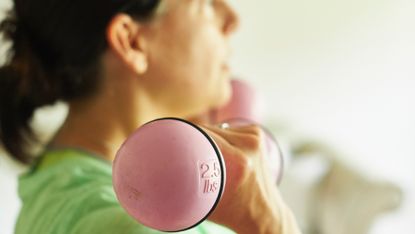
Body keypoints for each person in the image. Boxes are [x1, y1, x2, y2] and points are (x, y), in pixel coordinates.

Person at [0, 0, 301, 233]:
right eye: (204, 4)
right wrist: (266, 222)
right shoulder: (136, 226)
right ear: (131, 41)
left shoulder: (55, 181)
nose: (232, 20)